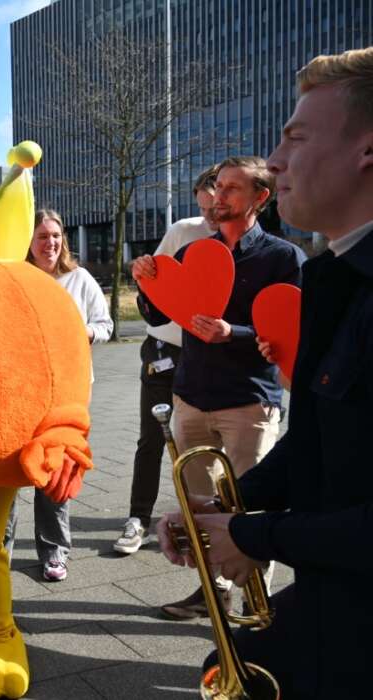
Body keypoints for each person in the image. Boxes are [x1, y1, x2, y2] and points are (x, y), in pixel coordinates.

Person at [159, 46, 373, 698]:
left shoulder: (298, 263)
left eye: (296, 138)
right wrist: (226, 507)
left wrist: (254, 533)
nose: (276, 160)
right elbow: (319, 444)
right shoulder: (338, 275)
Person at [134, 156, 305, 620]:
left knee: (251, 506)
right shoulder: (193, 253)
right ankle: (212, 591)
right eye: (217, 186)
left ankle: (257, 605)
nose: (218, 196)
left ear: (260, 198)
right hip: (192, 395)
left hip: (249, 400)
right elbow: (159, 314)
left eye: (231, 188)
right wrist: (146, 283)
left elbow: (294, 329)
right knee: (199, 506)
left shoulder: (282, 257)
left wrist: (237, 334)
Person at [114, 167, 218, 555]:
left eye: (215, 208)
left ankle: (202, 519)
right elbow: (153, 283)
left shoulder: (238, 242)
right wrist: (143, 272)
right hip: (165, 349)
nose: (209, 216)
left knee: (202, 442)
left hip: (210, 354)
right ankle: (137, 518)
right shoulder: (182, 231)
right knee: (152, 437)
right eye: (203, 208)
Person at [19, 209, 112, 582]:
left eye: (56, 236)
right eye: (42, 236)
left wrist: (82, 332)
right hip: (23, 388)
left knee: (56, 470)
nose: (50, 243)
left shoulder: (79, 279)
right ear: (29, 242)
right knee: (7, 471)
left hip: (68, 392)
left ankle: (55, 551)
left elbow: (105, 326)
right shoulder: (18, 277)